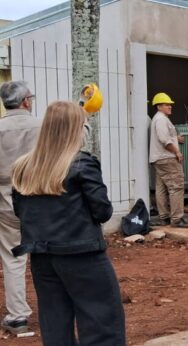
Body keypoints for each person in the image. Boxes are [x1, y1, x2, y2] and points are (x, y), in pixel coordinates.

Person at [11, 101, 125, 345]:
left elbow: (21, 210)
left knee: (54, 322)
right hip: (83, 254)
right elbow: (102, 211)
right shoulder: (82, 163)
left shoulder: (23, 166)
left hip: (42, 257)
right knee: (101, 321)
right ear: (76, 128)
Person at [0, 81, 37, 334]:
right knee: (51, 256)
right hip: (42, 198)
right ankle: (59, 311)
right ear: (25, 101)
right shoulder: (42, 124)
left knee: (13, 258)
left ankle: (18, 316)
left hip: (6, 200)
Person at [149, 92, 188, 228]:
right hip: (167, 158)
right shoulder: (161, 119)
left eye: (170, 104)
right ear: (158, 106)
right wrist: (177, 151)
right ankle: (177, 219)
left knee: (161, 188)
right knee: (176, 187)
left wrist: (176, 139)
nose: (170, 106)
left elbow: (164, 137)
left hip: (159, 159)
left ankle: (164, 217)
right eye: (166, 104)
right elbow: (164, 140)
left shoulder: (158, 119)